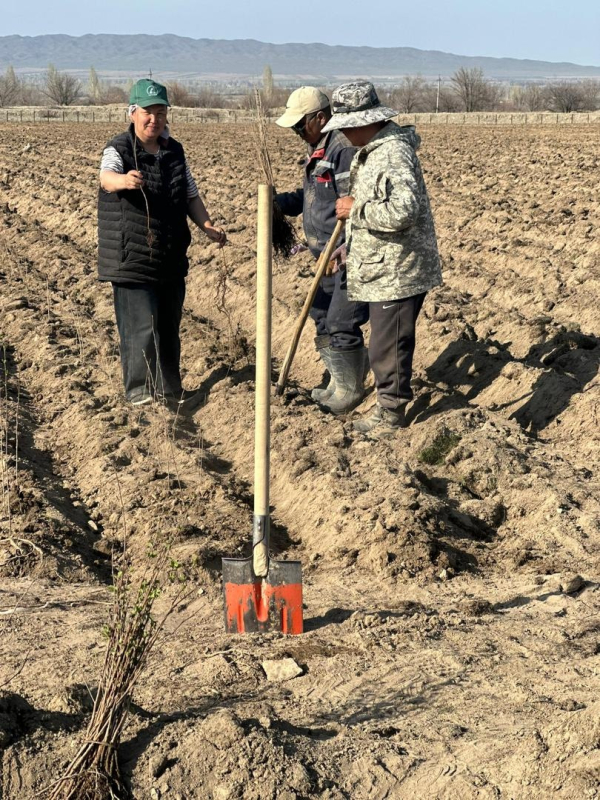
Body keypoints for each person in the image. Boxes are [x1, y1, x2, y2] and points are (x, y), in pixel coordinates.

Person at [322, 81, 442, 438]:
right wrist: (351, 247)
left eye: (345, 125)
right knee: (383, 343)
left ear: (364, 121)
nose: (341, 133)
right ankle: (387, 406)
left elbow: (404, 210)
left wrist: (355, 209)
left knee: (388, 346)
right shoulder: (374, 151)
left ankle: (390, 415)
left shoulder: (392, 153)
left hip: (398, 269)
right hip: (383, 265)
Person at [97, 78, 226, 407]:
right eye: (148, 112)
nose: (154, 119)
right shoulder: (120, 149)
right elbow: (105, 178)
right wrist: (124, 180)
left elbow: (190, 194)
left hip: (169, 257)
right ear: (132, 113)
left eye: (161, 112)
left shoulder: (174, 151)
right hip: (133, 258)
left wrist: (207, 225)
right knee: (140, 329)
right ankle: (140, 395)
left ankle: (171, 391)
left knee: (168, 328)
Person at [275, 87, 369, 414]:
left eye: (301, 125)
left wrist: (343, 250)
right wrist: (278, 204)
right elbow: (314, 200)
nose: (297, 133)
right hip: (323, 258)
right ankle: (336, 379)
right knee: (321, 314)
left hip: (345, 255)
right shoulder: (319, 148)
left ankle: (350, 388)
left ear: (320, 117)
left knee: (342, 319)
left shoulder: (342, 150)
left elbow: (352, 207)